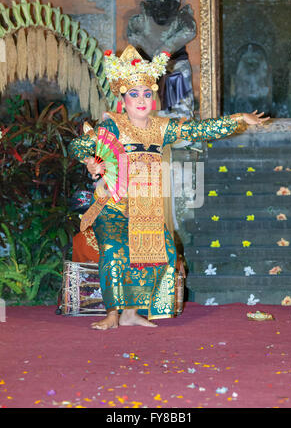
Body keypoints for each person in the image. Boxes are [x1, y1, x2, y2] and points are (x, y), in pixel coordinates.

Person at [68, 45, 269, 330]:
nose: (141, 99)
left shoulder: (163, 127)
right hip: (112, 208)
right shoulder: (113, 126)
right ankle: (113, 313)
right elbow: (77, 145)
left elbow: (199, 129)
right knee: (114, 248)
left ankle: (132, 313)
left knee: (165, 251)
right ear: (122, 98)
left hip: (145, 210)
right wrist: (91, 160)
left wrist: (238, 119)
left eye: (146, 93)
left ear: (153, 97)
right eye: (134, 94)